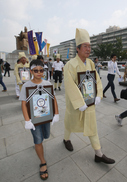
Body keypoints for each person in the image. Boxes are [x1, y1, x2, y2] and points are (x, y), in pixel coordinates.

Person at [63, 28, 115, 164]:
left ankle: (98, 153)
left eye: (89, 46)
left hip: (90, 101)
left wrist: (98, 94)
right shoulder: (70, 65)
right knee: (70, 123)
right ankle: (66, 139)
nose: (88, 49)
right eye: (85, 46)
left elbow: (97, 79)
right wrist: (79, 102)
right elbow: (69, 85)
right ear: (78, 49)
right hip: (77, 103)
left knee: (92, 126)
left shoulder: (91, 63)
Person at [19, 59, 59, 180]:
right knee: (38, 140)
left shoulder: (48, 84)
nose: (39, 72)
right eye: (36, 70)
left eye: (41, 70)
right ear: (31, 71)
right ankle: (42, 162)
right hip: (33, 120)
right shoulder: (26, 86)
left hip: (45, 117)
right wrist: (27, 120)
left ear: (44, 71)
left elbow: (54, 99)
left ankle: (38, 144)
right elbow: (23, 104)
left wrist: (56, 113)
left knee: (46, 135)